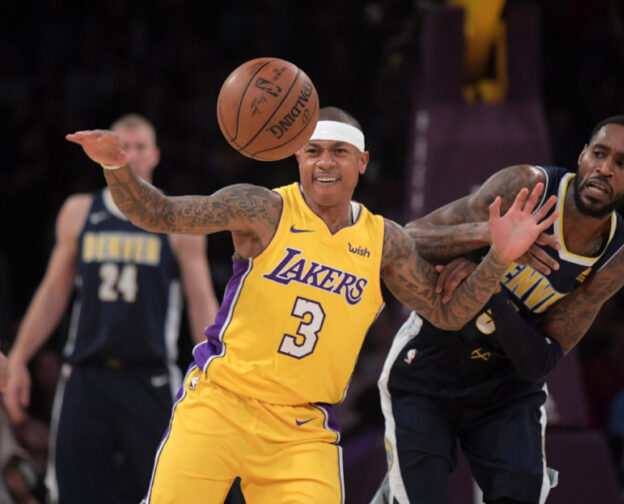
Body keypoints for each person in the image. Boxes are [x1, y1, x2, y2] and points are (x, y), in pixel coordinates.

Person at [65, 106, 559, 504]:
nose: (325, 161)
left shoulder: (384, 242)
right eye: (313, 151)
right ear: (297, 159)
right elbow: (161, 212)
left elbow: (447, 313)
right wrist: (117, 167)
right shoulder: (263, 209)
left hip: (300, 429)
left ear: (362, 161)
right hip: (218, 405)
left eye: (339, 152)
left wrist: (499, 258)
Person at [372, 115, 624, 504]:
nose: (605, 169)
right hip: (431, 362)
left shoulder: (617, 258)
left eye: (622, 164)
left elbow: (540, 359)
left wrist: (491, 273)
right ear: (582, 155)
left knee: (520, 492)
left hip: (506, 385)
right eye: (599, 154)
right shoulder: (529, 185)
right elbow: (408, 240)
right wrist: (490, 235)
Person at [3, 114, 220, 504]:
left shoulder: (181, 219)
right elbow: (53, 292)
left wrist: (219, 371)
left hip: (150, 377)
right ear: (107, 155)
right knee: (72, 494)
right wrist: (19, 357)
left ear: (155, 155)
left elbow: (202, 302)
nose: (131, 155)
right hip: (86, 375)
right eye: (124, 147)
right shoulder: (79, 211)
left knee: (165, 494)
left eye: (140, 147)